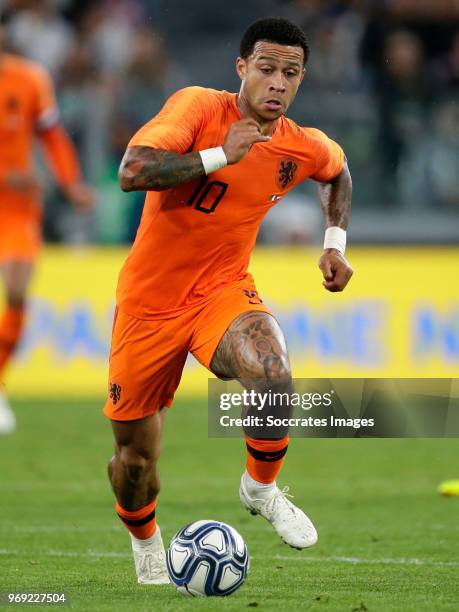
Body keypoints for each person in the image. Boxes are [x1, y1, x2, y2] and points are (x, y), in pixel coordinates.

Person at [104, 17, 353, 585]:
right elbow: (132, 170)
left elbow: (337, 173)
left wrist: (333, 243)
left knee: (272, 371)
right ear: (241, 69)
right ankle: (145, 540)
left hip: (221, 291)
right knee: (135, 461)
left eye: (290, 74)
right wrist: (220, 156)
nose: (277, 83)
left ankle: (260, 487)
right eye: (266, 69)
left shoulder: (299, 144)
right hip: (148, 304)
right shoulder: (197, 108)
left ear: (301, 80)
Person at [0, 11, 94, 433]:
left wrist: (72, 184)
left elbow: (52, 137)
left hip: (18, 208)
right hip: (11, 188)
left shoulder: (30, 79)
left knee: (17, 293)